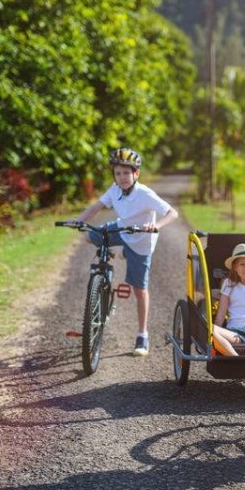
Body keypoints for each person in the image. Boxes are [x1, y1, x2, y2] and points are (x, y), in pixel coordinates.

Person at [72, 148, 178, 357]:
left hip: (140, 242)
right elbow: (96, 207)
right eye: (118, 173)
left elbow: (172, 213)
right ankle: (111, 254)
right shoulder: (114, 190)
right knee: (89, 235)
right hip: (121, 230)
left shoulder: (145, 194)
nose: (122, 178)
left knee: (140, 290)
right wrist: (79, 221)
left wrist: (157, 226)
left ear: (136, 174)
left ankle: (142, 335)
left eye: (127, 173)